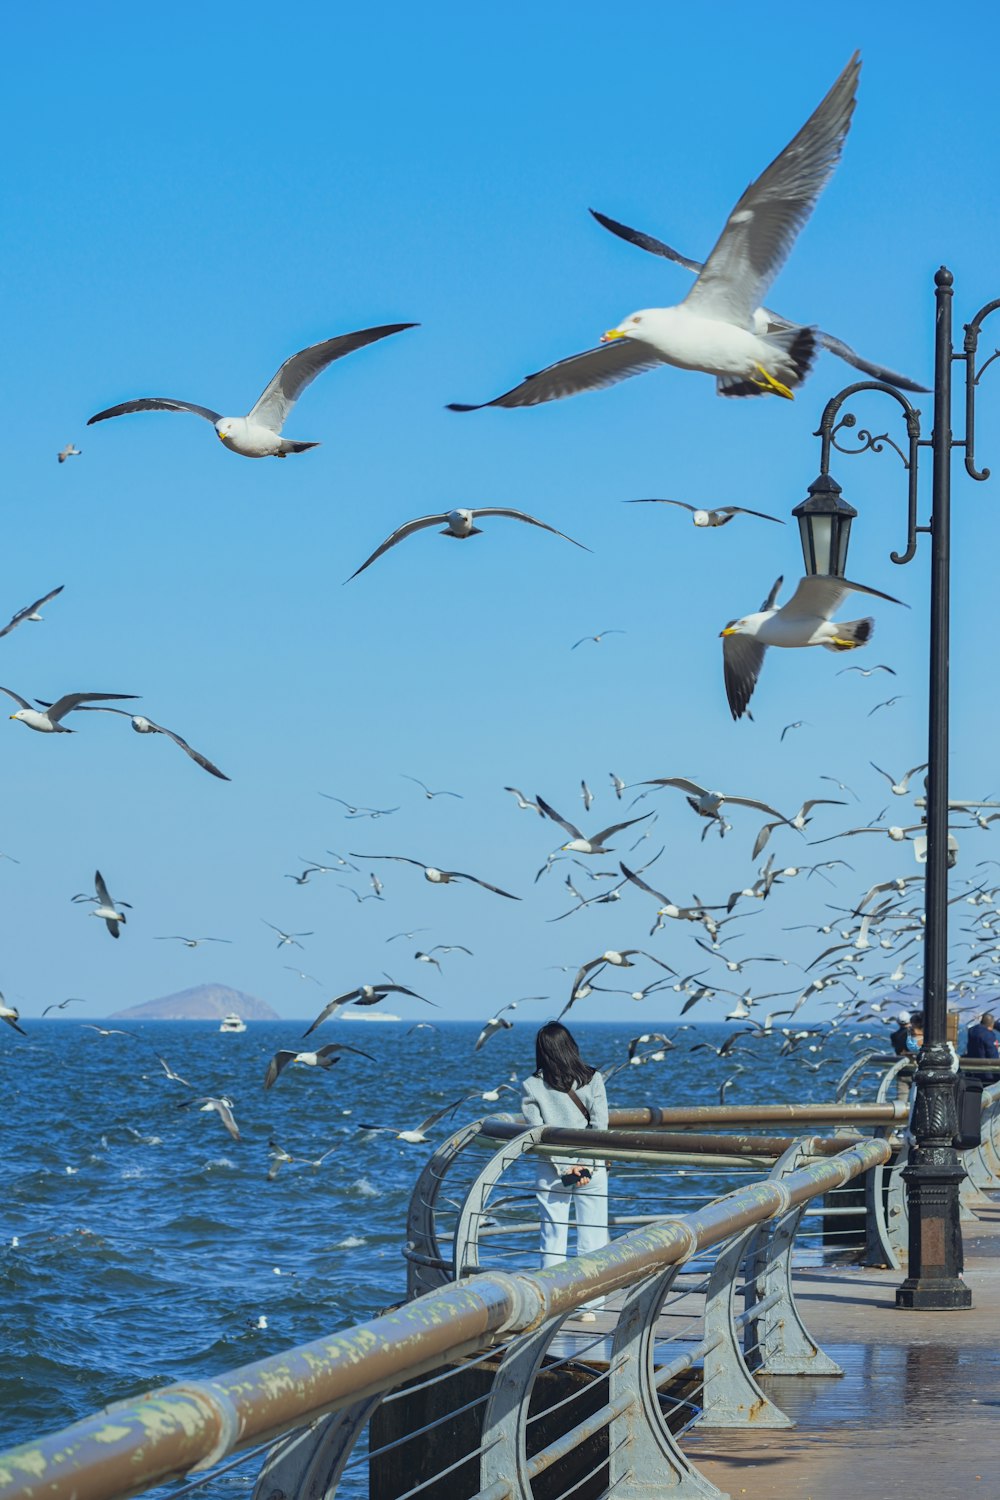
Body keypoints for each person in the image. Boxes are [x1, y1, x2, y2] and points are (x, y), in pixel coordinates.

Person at [521, 1022, 609, 1320]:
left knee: (553, 1234)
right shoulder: (593, 1078)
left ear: (542, 1051)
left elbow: (538, 1133)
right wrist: (588, 1164)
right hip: (592, 1167)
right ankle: (591, 1305)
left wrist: (565, 1165)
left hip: (552, 1168)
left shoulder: (532, 1086)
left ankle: (553, 1303)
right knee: (593, 1236)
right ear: (571, 1046)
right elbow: (601, 1128)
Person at [966, 1011, 1000, 1084]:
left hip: (973, 1072)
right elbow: (992, 1055)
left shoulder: (972, 1031)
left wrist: (992, 1023)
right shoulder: (988, 1035)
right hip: (988, 1075)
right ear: (992, 1024)